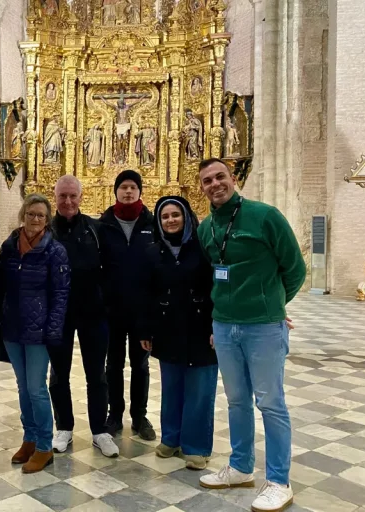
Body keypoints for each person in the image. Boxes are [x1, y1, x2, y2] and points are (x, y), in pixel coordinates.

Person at [196, 158, 305, 512]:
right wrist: (219, 320)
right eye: (207, 180)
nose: (215, 184)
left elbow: (295, 268)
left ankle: (279, 481)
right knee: (237, 400)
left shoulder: (265, 216)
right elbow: (212, 275)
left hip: (263, 327)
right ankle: (241, 467)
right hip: (224, 326)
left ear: (233, 178)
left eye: (220, 177)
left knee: (270, 402)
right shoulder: (206, 228)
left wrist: (273, 305)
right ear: (202, 187)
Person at [137, 196, 217, 470]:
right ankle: (171, 438)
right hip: (167, 327)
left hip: (201, 328)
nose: (170, 220)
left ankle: (196, 447)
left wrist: (216, 326)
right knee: (171, 387)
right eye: (165, 216)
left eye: (175, 215)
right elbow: (146, 293)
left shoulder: (203, 247)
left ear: (186, 217)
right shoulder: (152, 252)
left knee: (199, 390)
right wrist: (145, 329)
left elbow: (216, 289)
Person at [0, 194, 70, 473]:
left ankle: (44, 446)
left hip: (39, 330)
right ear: (23, 215)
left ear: (47, 219)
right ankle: (29, 439)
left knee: (36, 388)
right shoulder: (10, 245)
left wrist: (53, 329)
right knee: (22, 386)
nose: (35, 219)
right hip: (13, 326)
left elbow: (61, 294)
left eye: (41, 215)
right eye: (31, 214)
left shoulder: (55, 250)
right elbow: (0, 282)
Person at [48, 176, 119, 458]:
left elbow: (110, 269)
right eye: (62, 196)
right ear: (55, 196)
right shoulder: (46, 229)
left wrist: (105, 302)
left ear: (81, 197)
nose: (67, 201)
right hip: (59, 314)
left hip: (93, 312)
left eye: (72, 196)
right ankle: (63, 427)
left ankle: (100, 430)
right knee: (59, 374)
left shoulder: (95, 228)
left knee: (97, 374)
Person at [99, 169, 156, 441]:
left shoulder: (151, 223)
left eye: (133, 186)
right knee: (113, 364)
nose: (129, 191)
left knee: (140, 365)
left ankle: (140, 416)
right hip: (112, 308)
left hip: (142, 310)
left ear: (140, 191)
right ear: (116, 191)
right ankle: (115, 414)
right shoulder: (104, 224)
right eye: (124, 187)